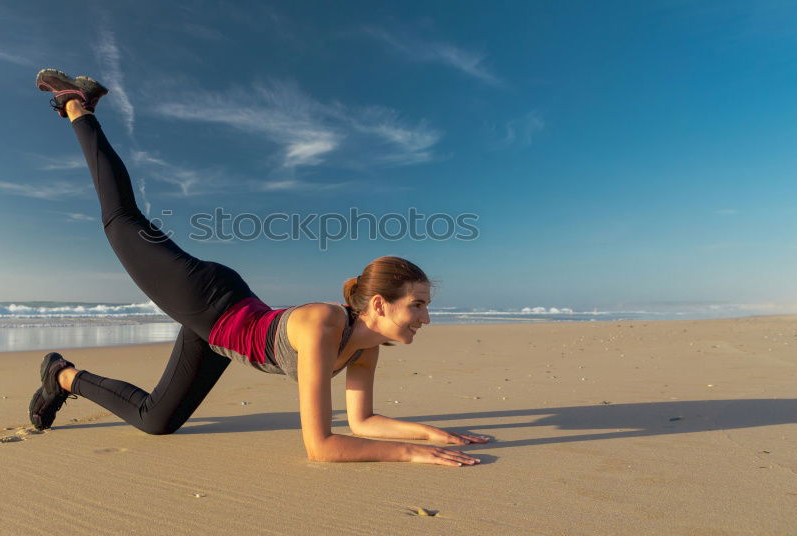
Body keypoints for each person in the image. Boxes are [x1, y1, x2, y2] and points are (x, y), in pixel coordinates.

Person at [28, 69, 490, 466]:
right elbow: (321, 446)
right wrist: (408, 456)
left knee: (156, 421)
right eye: (418, 304)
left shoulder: (367, 346)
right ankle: (77, 106)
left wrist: (430, 435)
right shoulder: (324, 323)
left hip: (222, 334)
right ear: (378, 303)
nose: (426, 317)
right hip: (204, 297)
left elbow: (362, 422)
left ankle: (62, 376)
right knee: (120, 219)